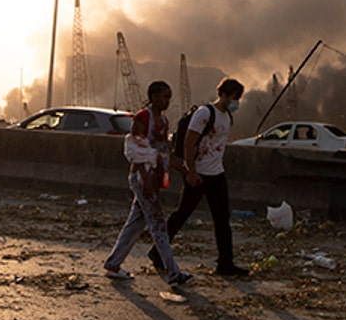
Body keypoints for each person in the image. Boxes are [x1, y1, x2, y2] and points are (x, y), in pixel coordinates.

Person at [161, 78, 249, 278]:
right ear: (224, 95)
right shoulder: (204, 113)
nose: (236, 102)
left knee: (222, 220)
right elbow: (188, 142)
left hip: (217, 174)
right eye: (234, 97)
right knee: (182, 214)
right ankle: (158, 252)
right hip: (199, 174)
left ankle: (225, 264)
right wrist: (191, 171)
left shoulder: (227, 117)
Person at [105, 81, 190, 286]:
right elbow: (135, 151)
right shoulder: (143, 118)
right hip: (143, 178)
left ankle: (113, 264)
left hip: (154, 177)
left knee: (135, 223)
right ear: (152, 97)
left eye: (169, 97)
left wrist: (183, 170)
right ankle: (173, 273)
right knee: (158, 224)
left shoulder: (164, 120)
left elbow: (165, 152)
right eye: (163, 97)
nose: (166, 101)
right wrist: (145, 179)